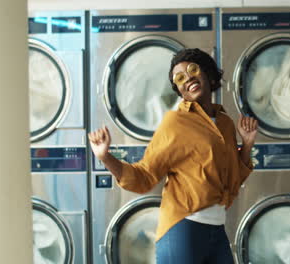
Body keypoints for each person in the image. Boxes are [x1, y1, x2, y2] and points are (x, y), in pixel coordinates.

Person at [88, 48, 258, 264]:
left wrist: (248, 143)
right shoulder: (175, 123)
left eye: (193, 70)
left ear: (207, 73)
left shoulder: (224, 123)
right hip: (184, 228)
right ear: (179, 90)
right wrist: (105, 157)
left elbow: (233, 180)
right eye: (180, 78)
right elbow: (145, 175)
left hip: (217, 229)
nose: (189, 79)